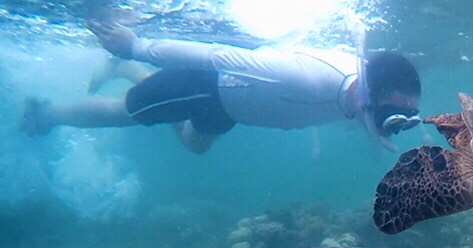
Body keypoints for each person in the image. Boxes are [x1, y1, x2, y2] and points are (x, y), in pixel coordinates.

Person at [20, 21, 421, 153]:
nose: (394, 125)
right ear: (368, 94)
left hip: (231, 108)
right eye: (393, 116)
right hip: (207, 86)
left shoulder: (358, 97)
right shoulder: (302, 76)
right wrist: (138, 46)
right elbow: (216, 55)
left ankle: (127, 69)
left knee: (195, 145)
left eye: (403, 119)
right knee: (128, 114)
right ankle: (47, 114)